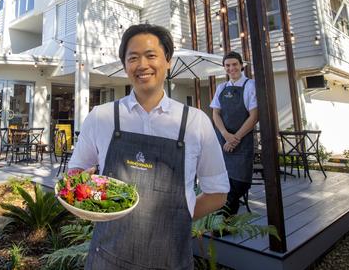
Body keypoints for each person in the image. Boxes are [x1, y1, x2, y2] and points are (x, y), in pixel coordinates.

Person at [68, 24, 229, 269]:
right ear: (125, 66)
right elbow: (75, 175)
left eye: (151, 55)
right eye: (133, 58)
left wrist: (177, 217)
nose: (142, 65)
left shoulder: (195, 122)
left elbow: (217, 193)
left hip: (171, 260)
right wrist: (92, 195)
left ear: (168, 62)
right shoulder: (101, 117)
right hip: (107, 259)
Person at [210, 51, 258, 217]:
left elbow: (254, 116)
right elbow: (215, 114)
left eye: (234, 64)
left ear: (241, 65)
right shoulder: (221, 88)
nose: (231, 68)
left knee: (239, 183)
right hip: (223, 143)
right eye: (227, 65)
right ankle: (222, 223)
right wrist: (225, 135)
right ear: (224, 68)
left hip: (242, 143)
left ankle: (221, 221)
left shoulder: (250, 86)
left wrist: (235, 138)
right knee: (223, 183)